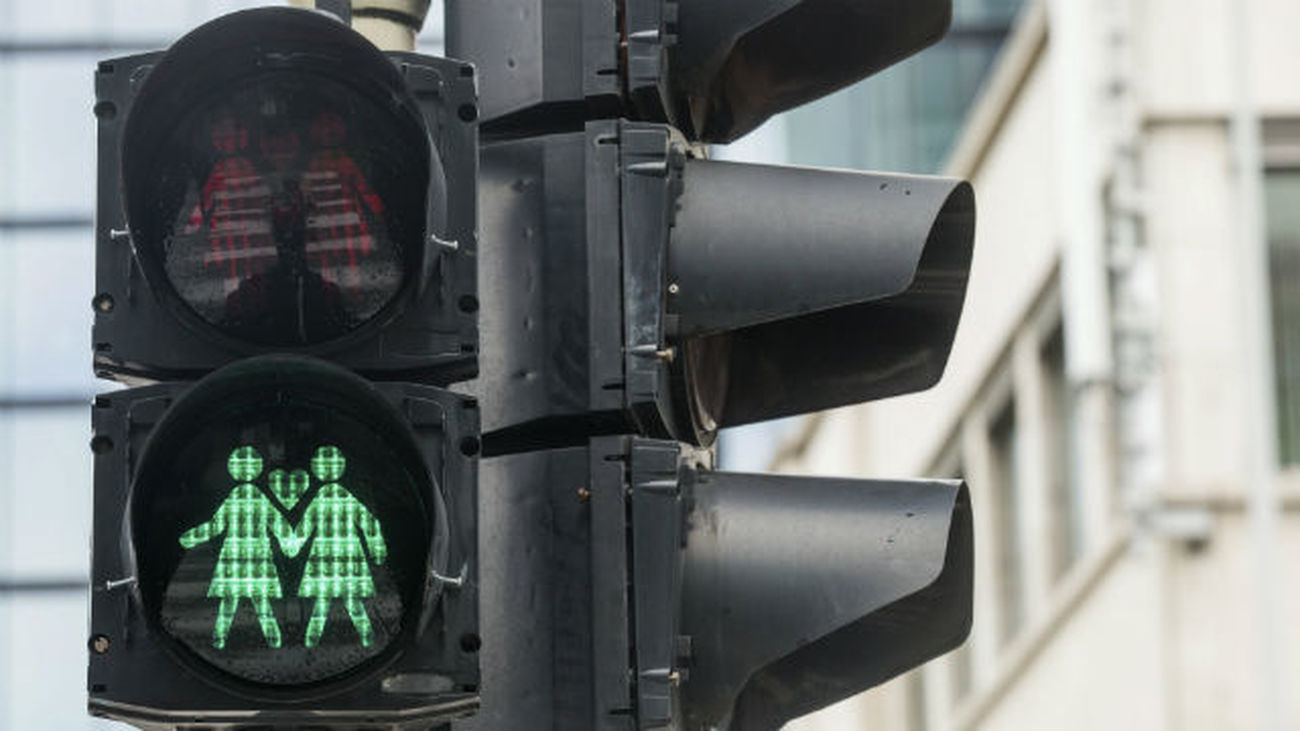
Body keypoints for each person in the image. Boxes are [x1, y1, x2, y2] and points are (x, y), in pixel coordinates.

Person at [178, 445, 301, 649]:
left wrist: (192, 538)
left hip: (235, 555)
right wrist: (290, 542)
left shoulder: (236, 497)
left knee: (233, 599)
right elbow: (277, 522)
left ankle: (221, 638)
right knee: (258, 600)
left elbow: (215, 526)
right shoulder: (256, 497)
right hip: (257, 555)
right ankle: (272, 638)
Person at [294, 445, 388, 647]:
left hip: (327, 555)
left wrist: (293, 546)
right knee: (346, 599)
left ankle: (313, 641)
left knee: (326, 599)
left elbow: (305, 527)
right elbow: (369, 522)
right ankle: (365, 637)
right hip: (347, 554)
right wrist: (376, 549)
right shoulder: (343, 496)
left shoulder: (323, 497)